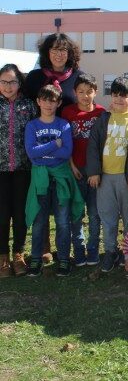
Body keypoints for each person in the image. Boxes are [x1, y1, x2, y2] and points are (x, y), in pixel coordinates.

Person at [87, 77, 128, 273]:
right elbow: (93, 147)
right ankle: (110, 252)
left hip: (126, 179)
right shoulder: (103, 119)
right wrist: (94, 171)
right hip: (105, 178)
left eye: (124, 96)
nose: (119, 99)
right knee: (108, 218)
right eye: (115, 95)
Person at [24, 84, 83, 277]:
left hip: (60, 178)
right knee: (39, 222)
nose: (49, 104)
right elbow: (32, 154)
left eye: (53, 101)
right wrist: (54, 144)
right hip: (40, 179)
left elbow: (66, 152)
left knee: (63, 221)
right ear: (38, 101)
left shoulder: (63, 125)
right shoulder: (32, 126)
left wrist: (48, 152)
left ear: (58, 103)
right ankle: (35, 259)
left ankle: (64, 259)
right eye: (45, 100)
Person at [61, 73, 105, 267]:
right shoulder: (68, 113)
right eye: (81, 92)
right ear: (75, 93)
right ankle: (79, 250)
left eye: (89, 92)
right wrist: (71, 166)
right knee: (76, 213)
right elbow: (65, 142)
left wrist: (98, 170)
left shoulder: (102, 113)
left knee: (95, 213)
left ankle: (93, 249)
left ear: (95, 92)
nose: (85, 96)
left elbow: (105, 145)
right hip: (75, 170)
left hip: (96, 172)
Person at [0, 64, 37, 277]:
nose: (8, 86)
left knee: (20, 214)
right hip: (1, 170)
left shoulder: (29, 105)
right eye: (4, 81)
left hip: (24, 168)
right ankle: (2, 257)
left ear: (19, 83)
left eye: (12, 81)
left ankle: (18, 254)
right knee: (2, 215)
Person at [24, 33, 84, 111]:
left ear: (69, 53)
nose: (59, 54)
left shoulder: (79, 78)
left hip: (69, 123)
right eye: (54, 49)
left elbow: (87, 105)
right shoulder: (33, 77)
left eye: (63, 50)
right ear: (47, 52)